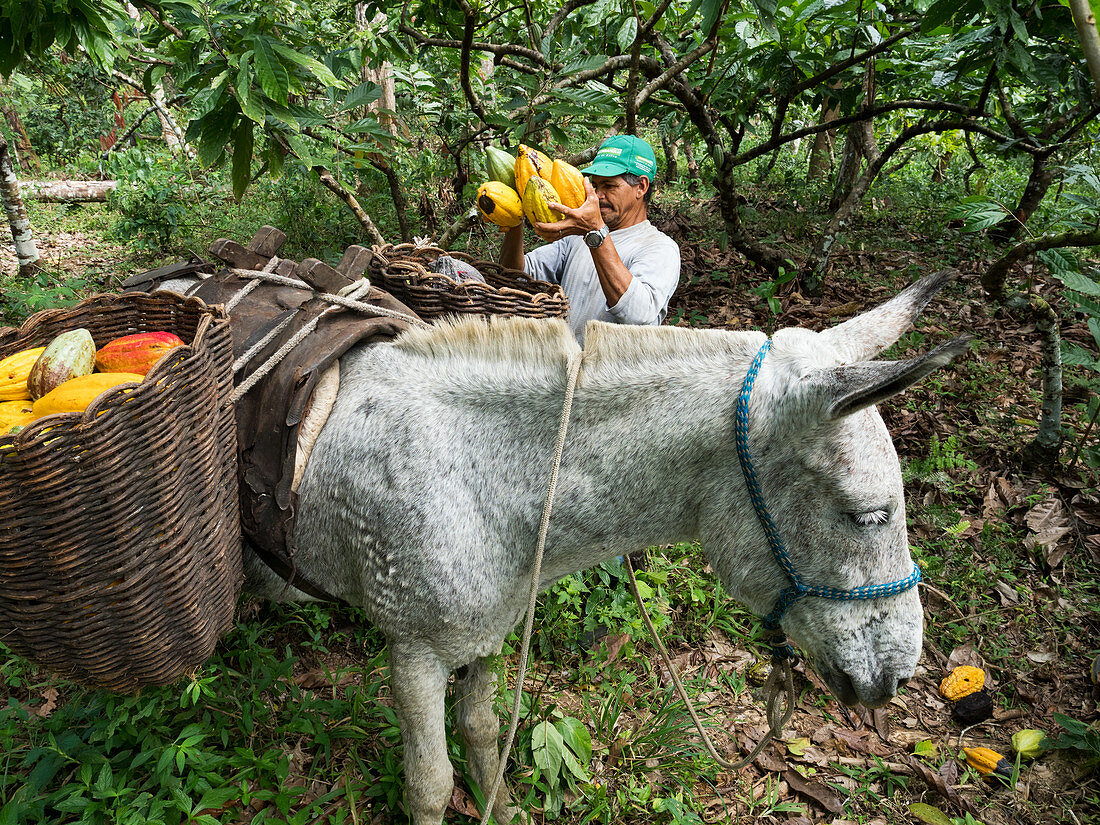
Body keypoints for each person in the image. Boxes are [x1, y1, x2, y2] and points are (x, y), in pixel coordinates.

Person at [500, 135, 681, 343]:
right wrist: (514, 216)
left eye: (609, 186)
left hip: (614, 374)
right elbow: (514, 276)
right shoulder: (577, 236)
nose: (597, 195)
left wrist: (595, 232)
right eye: (596, 186)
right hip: (570, 368)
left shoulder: (659, 247)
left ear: (641, 187)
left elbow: (638, 314)